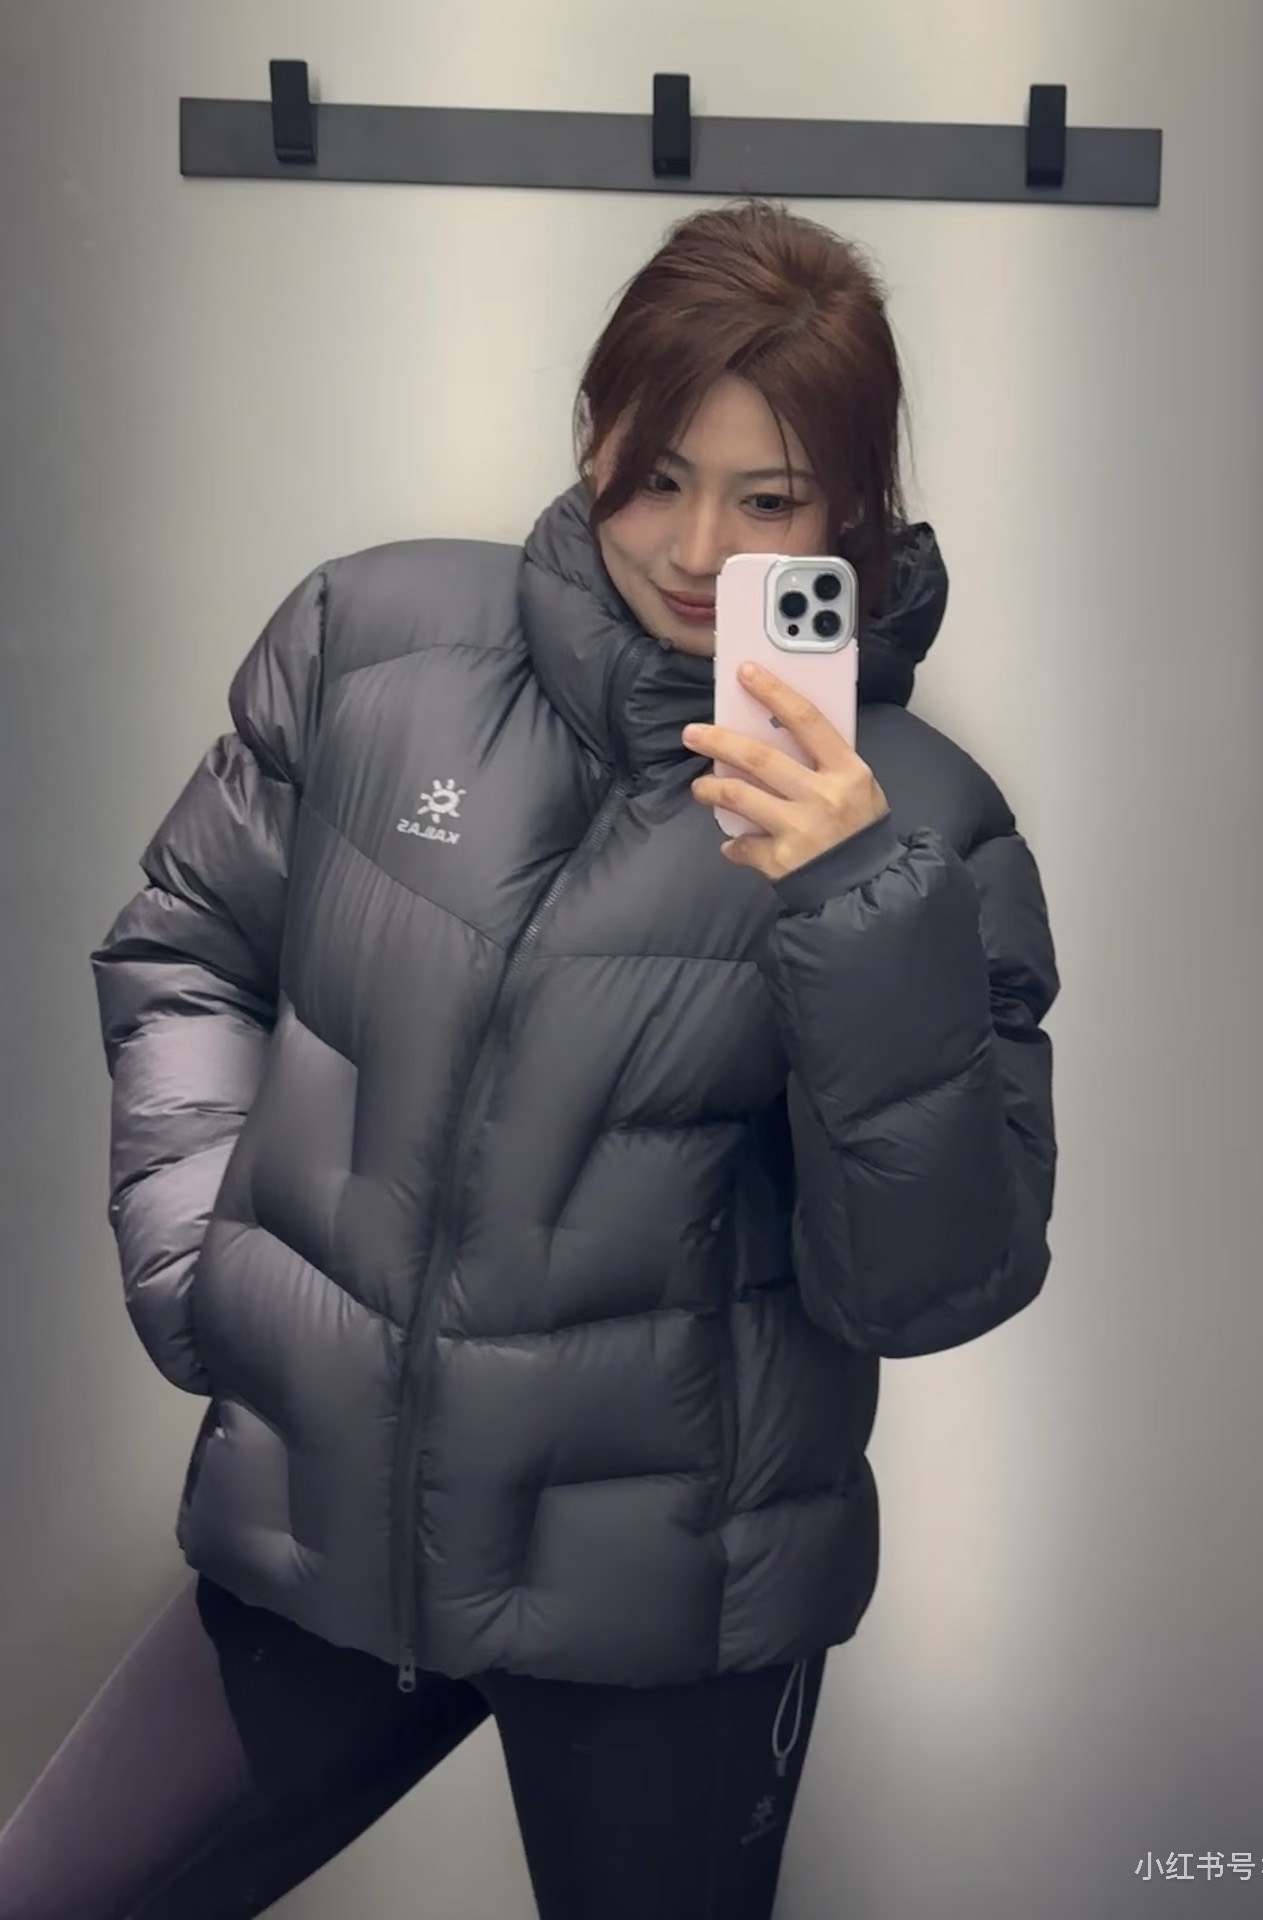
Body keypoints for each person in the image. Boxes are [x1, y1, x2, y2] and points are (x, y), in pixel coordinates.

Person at [0, 197, 1059, 1919]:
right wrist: (203, 1267)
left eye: (769, 499)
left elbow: (930, 1286)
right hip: (320, 1535)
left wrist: (857, 906)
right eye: (660, 474)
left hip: (672, 1618)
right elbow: (187, 942)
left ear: (851, 511)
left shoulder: (928, 830)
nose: (695, 545)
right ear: (592, 431)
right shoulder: (370, 646)